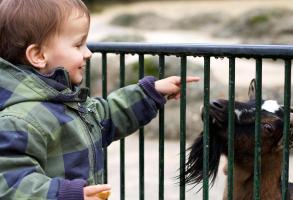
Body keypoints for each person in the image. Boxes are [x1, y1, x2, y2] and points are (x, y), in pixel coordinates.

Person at [0, 0, 200, 199]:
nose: (88, 53)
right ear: (38, 55)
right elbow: (9, 185)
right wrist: (67, 195)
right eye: (78, 45)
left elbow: (107, 114)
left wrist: (150, 92)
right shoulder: (19, 120)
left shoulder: (64, 100)